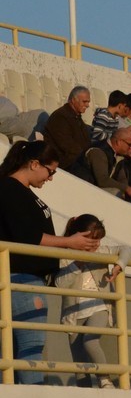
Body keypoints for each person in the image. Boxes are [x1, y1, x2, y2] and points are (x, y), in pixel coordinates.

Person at [0, 141, 100, 384]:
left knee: (16, 351)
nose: (51, 178)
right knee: (30, 348)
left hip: (23, 278)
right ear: (34, 164)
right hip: (21, 278)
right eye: (50, 171)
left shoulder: (18, 190)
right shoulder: (10, 189)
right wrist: (69, 242)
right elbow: (28, 236)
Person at [53, 214, 131, 389]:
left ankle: (105, 379)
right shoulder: (65, 255)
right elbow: (59, 284)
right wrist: (77, 264)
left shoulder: (102, 251)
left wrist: (119, 265)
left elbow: (127, 249)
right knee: (79, 360)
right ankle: (84, 391)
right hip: (73, 312)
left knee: (90, 340)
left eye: (99, 240)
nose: (96, 244)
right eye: (92, 240)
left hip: (99, 306)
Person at [68, 127, 131, 196]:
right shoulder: (99, 151)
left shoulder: (118, 156)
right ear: (119, 142)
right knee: (115, 192)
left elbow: (122, 178)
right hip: (79, 187)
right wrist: (126, 188)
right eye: (129, 144)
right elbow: (103, 180)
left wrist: (126, 190)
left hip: (92, 189)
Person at [44, 86, 92, 169]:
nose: (87, 105)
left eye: (88, 102)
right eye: (84, 102)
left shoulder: (76, 117)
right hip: (63, 164)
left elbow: (85, 143)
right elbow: (69, 147)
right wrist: (87, 157)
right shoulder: (60, 117)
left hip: (77, 161)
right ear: (73, 100)